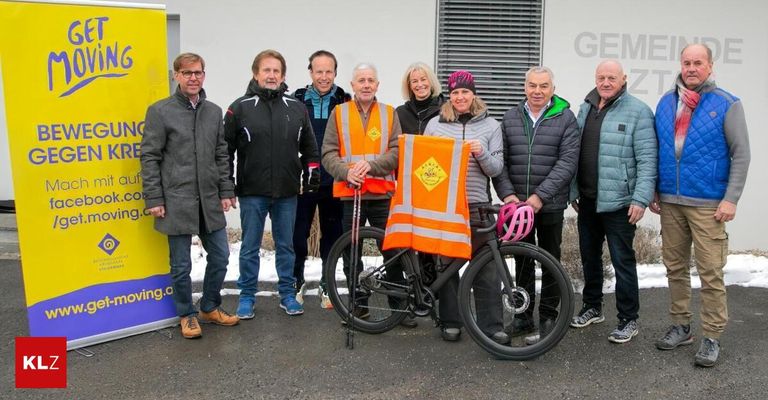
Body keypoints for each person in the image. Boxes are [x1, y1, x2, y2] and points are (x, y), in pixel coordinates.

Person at [650, 44, 750, 367]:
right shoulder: (666, 103)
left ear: (710, 66)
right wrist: (654, 189)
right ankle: (681, 325)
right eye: (687, 62)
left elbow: (742, 154)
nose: (691, 68)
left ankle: (712, 336)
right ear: (681, 64)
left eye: (698, 62)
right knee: (675, 267)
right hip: (671, 202)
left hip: (709, 204)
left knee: (710, 272)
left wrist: (731, 198)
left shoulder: (726, 104)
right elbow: (657, 150)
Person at [141, 52, 239, 339]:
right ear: (176, 76)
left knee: (220, 256)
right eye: (187, 73)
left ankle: (209, 306)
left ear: (204, 75)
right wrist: (154, 198)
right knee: (181, 265)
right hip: (176, 200)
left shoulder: (214, 111)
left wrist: (225, 190)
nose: (193, 77)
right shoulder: (160, 111)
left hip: (208, 199)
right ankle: (186, 314)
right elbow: (149, 157)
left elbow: (222, 154)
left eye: (198, 72)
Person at [225, 49, 320, 318]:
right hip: (252, 192)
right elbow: (225, 150)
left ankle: (287, 294)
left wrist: (311, 173)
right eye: (266, 70)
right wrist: (227, 184)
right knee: (250, 246)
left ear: (283, 75)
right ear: (256, 73)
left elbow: (310, 149)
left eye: (276, 71)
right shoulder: (239, 107)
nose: (271, 75)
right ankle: (246, 296)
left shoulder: (297, 108)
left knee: (286, 246)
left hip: (287, 192)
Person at [569, 60, 657, 344]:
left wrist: (641, 199)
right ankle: (592, 306)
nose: (606, 82)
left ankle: (628, 319)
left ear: (624, 79)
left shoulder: (639, 112)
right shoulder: (586, 108)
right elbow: (574, 152)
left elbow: (647, 160)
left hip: (621, 203)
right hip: (588, 200)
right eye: (601, 77)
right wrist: (573, 191)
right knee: (589, 257)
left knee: (622, 261)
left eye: (611, 78)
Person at [493, 66, 580, 342]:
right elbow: (500, 161)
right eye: (532, 85)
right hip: (517, 206)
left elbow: (567, 163)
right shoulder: (510, 118)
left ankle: (548, 316)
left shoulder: (566, 118)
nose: (537, 91)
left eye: (543, 86)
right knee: (522, 260)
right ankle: (523, 316)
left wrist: (539, 197)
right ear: (524, 87)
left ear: (552, 88)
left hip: (549, 204)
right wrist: (508, 194)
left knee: (550, 259)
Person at [423, 70, 508, 344]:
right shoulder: (435, 125)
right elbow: (425, 165)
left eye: (465, 92)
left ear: (473, 94)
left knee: (486, 268)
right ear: (450, 95)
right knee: (446, 265)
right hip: (445, 206)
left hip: (477, 204)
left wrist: (480, 152)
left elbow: (496, 169)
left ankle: (491, 326)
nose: (460, 97)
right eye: (456, 92)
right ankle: (451, 321)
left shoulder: (492, 126)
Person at [321, 63, 405, 324]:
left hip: (381, 195)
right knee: (351, 254)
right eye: (361, 80)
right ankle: (358, 307)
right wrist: (346, 172)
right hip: (351, 194)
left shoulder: (390, 114)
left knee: (392, 254)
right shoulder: (339, 113)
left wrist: (371, 166)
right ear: (353, 85)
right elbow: (327, 153)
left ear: (377, 85)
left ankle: (399, 307)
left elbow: (396, 152)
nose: (366, 84)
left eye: (371, 80)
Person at [291, 50, 351, 309]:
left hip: (334, 178)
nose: (324, 77)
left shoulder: (345, 101)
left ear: (335, 73)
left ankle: (328, 283)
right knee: (297, 234)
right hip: (304, 179)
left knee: (333, 234)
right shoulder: (296, 100)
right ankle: (297, 280)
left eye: (329, 71)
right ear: (310, 73)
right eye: (319, 71)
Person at [396, 62, 445, 135]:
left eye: (423, 79)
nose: (420, 84)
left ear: (431, 81)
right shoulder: (400, 113)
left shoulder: (445, 110)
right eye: (414, 81)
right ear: (409, 86)